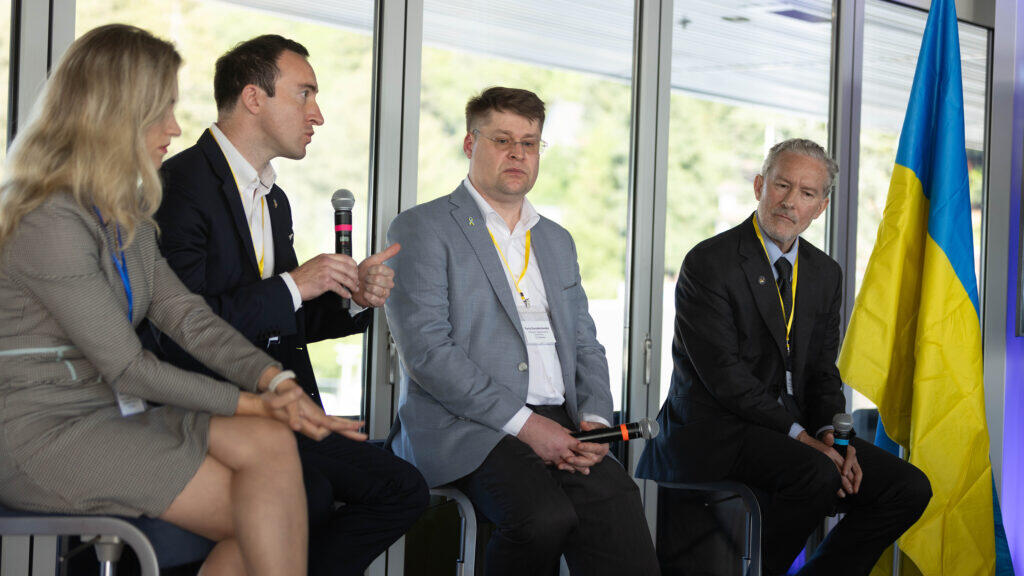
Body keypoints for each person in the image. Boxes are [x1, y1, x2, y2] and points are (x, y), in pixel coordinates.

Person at [0, 24, 362, 576]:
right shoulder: (48, 216)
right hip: (43, 434)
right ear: (113, 114)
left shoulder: (127, 217)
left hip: (110, 418)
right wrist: (256, 402)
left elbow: (188, 319)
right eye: (162, 110)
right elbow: (127, 366)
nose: (175, 125)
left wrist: (275, 383)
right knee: (261, 510)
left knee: (270, 450)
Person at [145, 34, 428, 576]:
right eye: (305, 94)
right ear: (254, 98)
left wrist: (350, 299)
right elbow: (183, 326)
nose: (317, 114)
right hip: (212, 412)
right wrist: (298, 283)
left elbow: (283, 317)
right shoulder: (179, 186)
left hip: (283, 408)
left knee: (401, 487)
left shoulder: (272, 197)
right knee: (334, 492)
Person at [385, 86, 659, 575]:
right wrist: (530, 427)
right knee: (542, 517)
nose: (517, 153)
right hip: (469, 427)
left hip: (563, 423)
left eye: (529, 143)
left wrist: (595, 421)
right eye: (502, 139)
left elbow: (585, 343)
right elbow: (429, 353)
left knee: (617, 502)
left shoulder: (555, 239)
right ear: (470, 145)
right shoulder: (423, 228)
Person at [636, 138, 932, 576]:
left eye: (807, 193)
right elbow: (726, 379)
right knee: (816, 472)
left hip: (789, 432)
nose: (790, 202)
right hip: (715, 431)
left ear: (821, 207)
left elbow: (821, 373)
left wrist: (837, 439)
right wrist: (802, 437)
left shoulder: (824, 272)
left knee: (908, 487)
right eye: (782, 185)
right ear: (759, 185)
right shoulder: (710, 262)